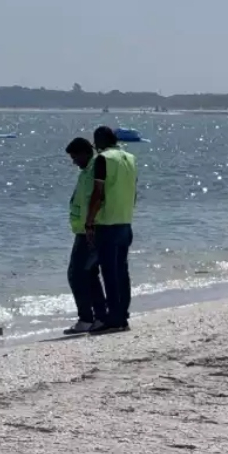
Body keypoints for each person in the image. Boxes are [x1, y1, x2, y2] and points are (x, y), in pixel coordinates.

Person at [85, 126, 138, 334]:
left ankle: (113, 318)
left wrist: (89, 221)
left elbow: (98, 193)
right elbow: (135, 189)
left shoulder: (103, 159)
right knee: (122, 271)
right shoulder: (130, 158)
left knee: (108, 272)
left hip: (107, 222)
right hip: (125, 220)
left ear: (99, 141)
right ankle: (122, 315)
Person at [63, 137, 108, 335]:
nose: (74, 161)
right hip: (85, 230)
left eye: (75, 157)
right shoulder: (86, 171)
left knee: (76, 274)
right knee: (90, 274)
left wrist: (90, 225)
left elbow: (97, 198)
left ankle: (86, 318)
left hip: (88, 231)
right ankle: (99, 316)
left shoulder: (92, 171)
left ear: (85, 153)